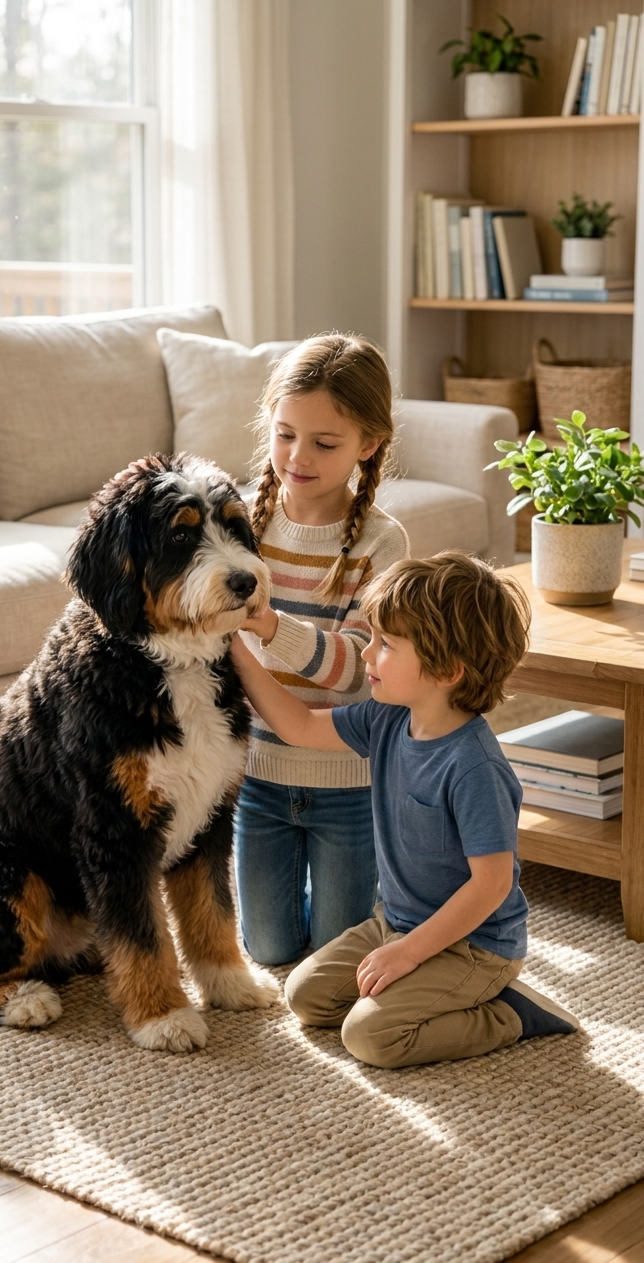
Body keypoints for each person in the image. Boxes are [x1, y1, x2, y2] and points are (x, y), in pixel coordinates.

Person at [230, 551, 580, 1069]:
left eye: (385, 644)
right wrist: (236, 649)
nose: (367, 655)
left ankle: (511, 1014)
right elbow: (299, 728)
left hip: (476, 946)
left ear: (447, 670)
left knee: (372, 1037)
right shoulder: (387, 718)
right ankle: (419, 980)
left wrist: (410, 953)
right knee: (305, 996)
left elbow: (492, 885)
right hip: (395, 922)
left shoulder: (474, 768)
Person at [234, 334, 409, 966]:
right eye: (284, 434)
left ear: (368, 444)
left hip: (346, 786)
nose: (296, 456)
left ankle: (389, 903)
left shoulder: (382, 546)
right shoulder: (238, 522)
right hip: (258, 775)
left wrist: (267, 625)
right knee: (271, 951)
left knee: (332, 960)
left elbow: (358, 677)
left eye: (324, 443)